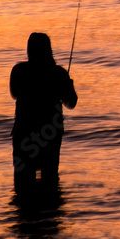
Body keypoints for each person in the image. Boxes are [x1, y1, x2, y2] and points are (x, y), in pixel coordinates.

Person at [10, 32, 78, 186]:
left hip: (24, 132)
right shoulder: (58, 73)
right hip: (50, 134)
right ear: (49, 49)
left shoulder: (19, 70)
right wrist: (68, 84)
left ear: (29, 49)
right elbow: (71, 103)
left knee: (22, 182)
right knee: (50, 178)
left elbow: (14, 94)